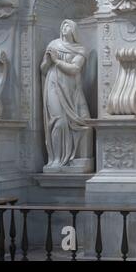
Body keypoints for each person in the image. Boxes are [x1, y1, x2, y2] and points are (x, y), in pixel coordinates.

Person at [40, 20, 92, 171]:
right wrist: (48, 61)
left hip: (70, 88)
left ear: (74, 30)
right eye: (62, 25)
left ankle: (69, 159)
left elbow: (75, 69)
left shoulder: (80, 49)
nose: (64, 27)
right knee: (58, 121)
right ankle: (56, 158)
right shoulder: (53, 45)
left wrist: (56, 61)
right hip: (53, 84)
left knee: (75, 122)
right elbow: (43, 69)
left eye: (68, 25)